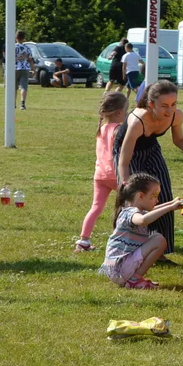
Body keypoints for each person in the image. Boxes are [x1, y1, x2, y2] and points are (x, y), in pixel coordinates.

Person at [114, 81, 183, 257]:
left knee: (163, 195)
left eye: (174, 104)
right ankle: (128, 247)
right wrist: (125, 184)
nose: (170, 110)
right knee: (137, 200)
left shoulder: (176, 116)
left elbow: (179, 140)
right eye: (164, 106)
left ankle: (160, 251)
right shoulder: (138, 120)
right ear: (151, 104)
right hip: (127, 155)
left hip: (151, 150)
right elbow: (124, 159)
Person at [99, 173, 183, 289]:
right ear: (140, 196)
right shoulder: (131, 213)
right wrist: (170, 207)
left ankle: (133, 278)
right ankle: (134, 280)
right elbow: (143, 220)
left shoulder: (131, 209)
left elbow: (151, 211)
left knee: (156, 237)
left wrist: (171, 203)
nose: (157, 200)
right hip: (120, 269)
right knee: (159, 240)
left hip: (119, 268)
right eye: (154, 196)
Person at [75, 92, 128, 252]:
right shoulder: (118, 129)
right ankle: (123, 240)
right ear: (119, 113)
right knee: (125, 208)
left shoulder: (102, 128)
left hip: (100, 175)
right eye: (126, 110)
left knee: (96, 207)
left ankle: (83, 240)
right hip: (116, 175)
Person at [13, 30, 32, 110]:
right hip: (25, 68)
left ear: (16, 37)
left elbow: (10, 58)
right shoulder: (27, 48)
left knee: (14, 87)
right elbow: (30, 59)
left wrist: (18, 58)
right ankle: (22, 103)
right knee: (24, 86)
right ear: (24, 38)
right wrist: (33, 69)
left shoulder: (13, 47)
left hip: (15, 68)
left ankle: (13, 103)